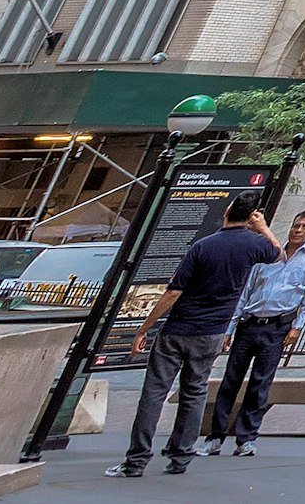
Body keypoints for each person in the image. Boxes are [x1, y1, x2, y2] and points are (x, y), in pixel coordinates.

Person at [118, 198, 277, 476]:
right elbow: (278, 254)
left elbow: (173, 292)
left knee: (154, 393)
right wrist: (262, 227)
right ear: (251, 216)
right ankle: (181, 457)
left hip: (180, 328)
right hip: (213, 331)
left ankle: (137, 460)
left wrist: (144, 328)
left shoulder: (203, 246)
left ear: (226, 212)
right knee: (195, 392)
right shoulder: (253, 244)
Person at [202, 209, 305, 455]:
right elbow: (245, 292)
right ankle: (215, 437)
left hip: (278, 327)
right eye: (296, 225)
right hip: (249, 324)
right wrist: (230, 327)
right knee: (230, 381)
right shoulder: (269, 252)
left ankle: (246, 438)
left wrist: (297, 327)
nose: (298, 230)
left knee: (261, 383)